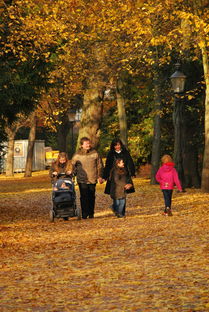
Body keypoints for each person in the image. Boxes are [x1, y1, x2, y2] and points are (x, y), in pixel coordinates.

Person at [72, 137, 103, 219]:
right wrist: (72, 174)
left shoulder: (95, 153)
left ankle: (91, 213)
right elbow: (72, 166)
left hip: (92, 178)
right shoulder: (77, 154)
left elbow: (99, 165)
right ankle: (84, 214)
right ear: (82, 145)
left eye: (89, 143)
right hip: (82, 179)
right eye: (86, 144)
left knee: (91, 196)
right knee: (84, 196)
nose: (88, 145)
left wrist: (100, 176)